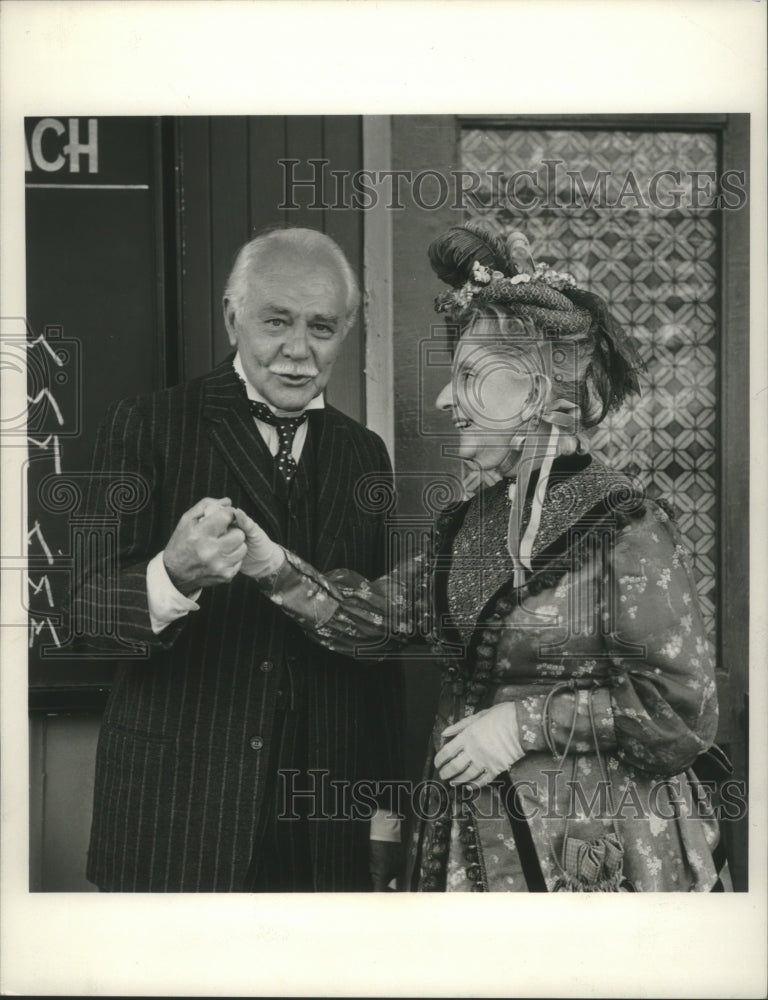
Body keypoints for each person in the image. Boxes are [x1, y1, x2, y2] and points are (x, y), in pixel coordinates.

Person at [232, 223, 722, 892]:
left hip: (587, 849)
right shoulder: (469, 524)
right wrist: (271, 565)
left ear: (539, 394)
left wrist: (523, 725)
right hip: (465, 840)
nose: (445, 400)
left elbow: (681, 711)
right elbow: (374, 622)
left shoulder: (623, 527)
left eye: (470, 377)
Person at [76, 226, 404, 892]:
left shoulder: (365, 454)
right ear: (233, 318)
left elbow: (381, 645)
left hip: (323, 825)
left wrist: (385, 813)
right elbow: (84, 614)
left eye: (321, 327)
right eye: (276, 321)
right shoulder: (146, 425)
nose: (298, 350)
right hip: (178, 814)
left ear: (347, 330)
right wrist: (171, 576)